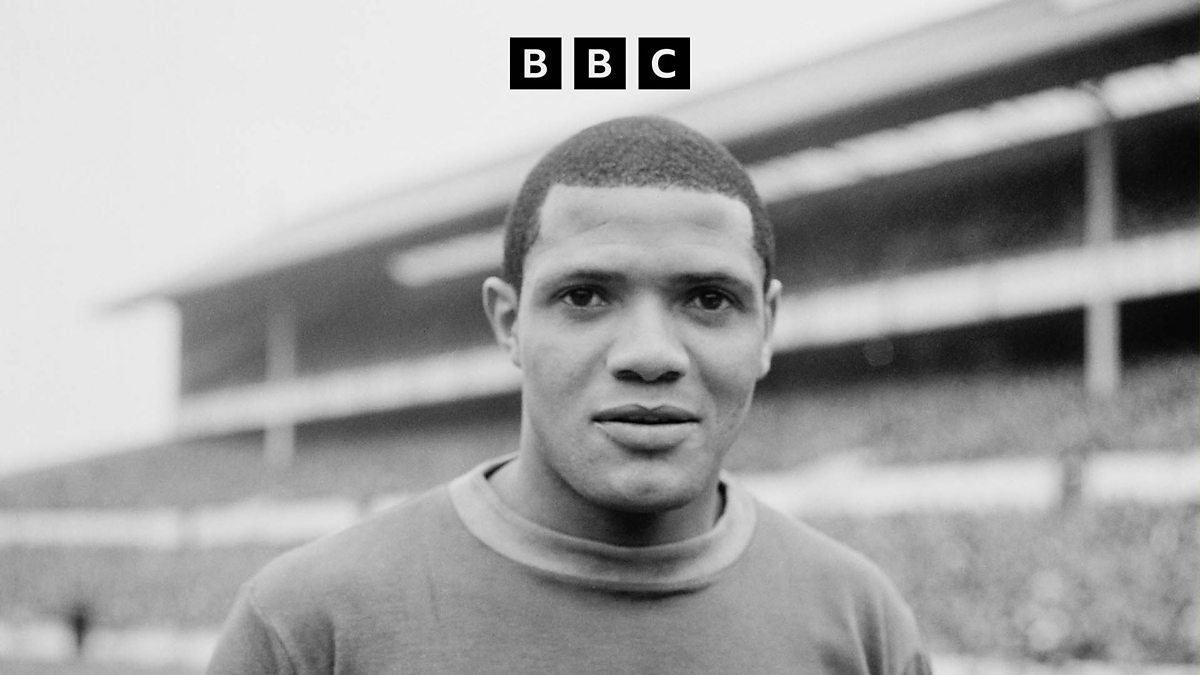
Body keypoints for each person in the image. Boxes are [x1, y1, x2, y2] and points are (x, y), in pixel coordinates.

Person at [207, 116, 932, 674]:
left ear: (766, 326)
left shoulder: (862, 624)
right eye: (585, 296)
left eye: (709, 299)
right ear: (508, 322)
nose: (649, 354)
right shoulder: (308, 625)